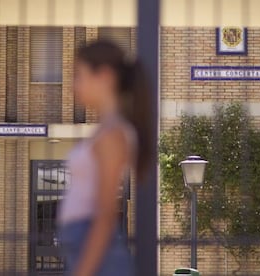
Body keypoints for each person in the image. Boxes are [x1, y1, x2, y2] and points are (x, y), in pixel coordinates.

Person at [58, 40, 154, 276]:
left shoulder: (113, 135)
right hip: (83, 244)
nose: (73, 85)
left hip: (95, 251)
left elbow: (105, 213)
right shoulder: (106, 130)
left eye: (78, 75)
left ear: (105, 76)